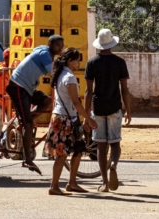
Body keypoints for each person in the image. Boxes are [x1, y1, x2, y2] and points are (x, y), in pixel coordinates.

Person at [7, 33, 65, 170]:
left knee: (47, 101)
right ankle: (27, 159)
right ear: (50, 44)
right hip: (19, 86)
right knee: (28, 125)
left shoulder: (42, 50)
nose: (60, 48)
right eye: (57, 45)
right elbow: (54, 73)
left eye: (62, 46)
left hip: (27, 88)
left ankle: (26, 121)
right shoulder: (45, 54)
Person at [84, 27, 132, 193]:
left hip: (98, 108)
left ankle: (105, 183)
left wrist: (86, 115)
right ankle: (113, 165)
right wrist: (128, 110)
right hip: (114, 107)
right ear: (112, 44)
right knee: (115, 143)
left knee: (101, 146)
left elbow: (89, 91)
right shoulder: (120, 62)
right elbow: (124, 90)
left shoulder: (91, 63)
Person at [46, 48, 98, 196]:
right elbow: (76, 102)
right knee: (62, 154)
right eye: (77, 60)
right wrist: (89, 119)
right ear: (70, 61)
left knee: (78, 150)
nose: (79, 63)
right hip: (65, 119)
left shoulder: (60, 74)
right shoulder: (69, 77)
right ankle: (54, 186)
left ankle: (72, 183)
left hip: (63, 117)